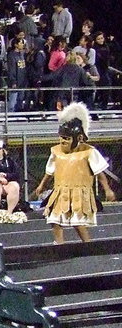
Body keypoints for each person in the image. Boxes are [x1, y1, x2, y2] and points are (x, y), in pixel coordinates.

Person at [34, 102, 115, 244]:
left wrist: (107, 190)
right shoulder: (56, 151)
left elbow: (100, 173)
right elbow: (50, 171)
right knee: (54, 219)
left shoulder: (89, 152)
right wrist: (42, 185)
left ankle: (87, 244)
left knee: (77, 222)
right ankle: (59, 244)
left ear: (77, 138)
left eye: (67, 138)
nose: (63, 141)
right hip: (60, 191)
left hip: (79, 192)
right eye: (62, 137)